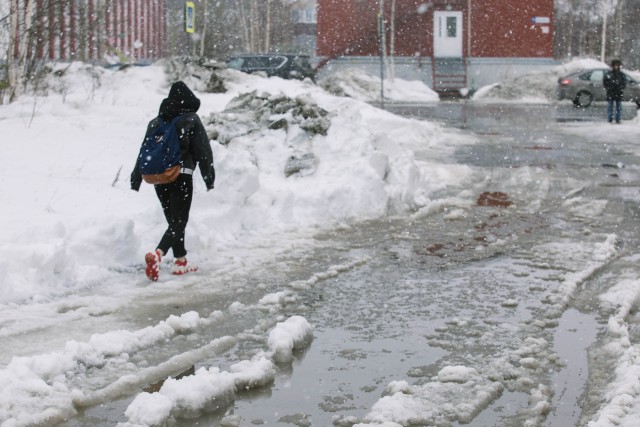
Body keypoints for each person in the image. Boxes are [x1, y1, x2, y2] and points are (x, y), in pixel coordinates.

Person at [131, 81, 215, 281]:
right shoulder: (190, 119)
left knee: (173, 220)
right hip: (181, 175)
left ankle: (180, 261)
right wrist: (208, 176)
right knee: (179, 220)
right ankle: (158, 253)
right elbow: (202, 151)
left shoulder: (156, 122)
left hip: (159, 177)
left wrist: (136, 178)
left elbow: (143, 151)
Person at [603, 59, 626, 124]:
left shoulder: (621, 74)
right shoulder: (609, 74)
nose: (616, 67)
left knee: (618, 107)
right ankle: (610, 119)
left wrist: (620, 88)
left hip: (618, 93)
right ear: (613, 66)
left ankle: (617, 119)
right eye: (615, 65)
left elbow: (624, 83)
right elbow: (605, 82)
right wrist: (609, 88)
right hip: (611, 93)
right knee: (610, 107)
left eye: (617, 65)